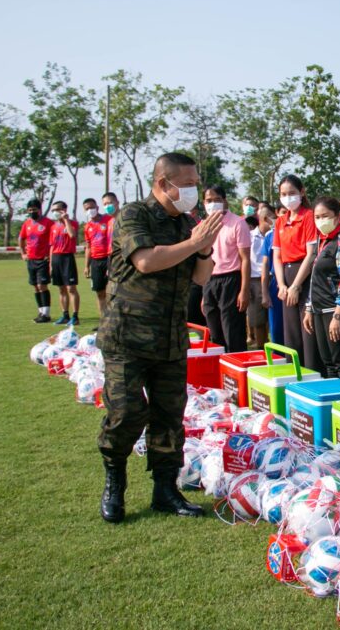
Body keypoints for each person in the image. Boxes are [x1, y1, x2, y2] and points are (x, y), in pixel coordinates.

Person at [96, 152, 222, 523]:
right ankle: (115, 482)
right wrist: (194, 243)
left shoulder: (187, 224)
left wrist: (202, 248)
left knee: (170, 417)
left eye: (196, 183)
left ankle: (165, 491)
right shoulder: (134, 215)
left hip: (169, 337)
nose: (194, 190)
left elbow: (201, 277)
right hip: (127, 337)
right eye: (188, 184)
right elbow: (146, 261)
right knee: (126, 412)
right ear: (163, 183)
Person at [302, 197, 340, 380]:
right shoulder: (323, 240)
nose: (321, 221)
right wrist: (309, 308)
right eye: (317, 217)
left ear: (338, 215)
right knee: (328, 363)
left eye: (325, 216)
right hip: (319, 309)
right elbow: (315, 277)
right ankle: (333, 398)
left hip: (335, 309)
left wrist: (338, 314)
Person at [272, 176, 319, 368]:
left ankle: (312, 371)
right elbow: (277, 256)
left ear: (302, 192)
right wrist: (282, 284)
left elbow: (311, 253)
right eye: (283, 194)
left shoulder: (308, 216)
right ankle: (294, 372)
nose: (288, 197)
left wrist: (296, 285)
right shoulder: (280, 221)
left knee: (307, 329)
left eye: (292, 193)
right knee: (291, 332)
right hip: (286, 275)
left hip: (304, 275)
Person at [200, 185, 251, 353]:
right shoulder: (203, 225)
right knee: (215, 333)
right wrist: (204, 293)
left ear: (224, 201)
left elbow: (245, 259)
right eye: (209, 200)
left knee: (232, 332)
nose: (212, 204)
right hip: (210, 280)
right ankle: (218, 367)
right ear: (203, 203)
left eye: (217, 200)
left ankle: (236, 366)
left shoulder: (238, 223)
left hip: (231, 280)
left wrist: (244, 290)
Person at [19, 198, 54, 323]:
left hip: (43, 259)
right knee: (35, 286)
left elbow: (54, 239)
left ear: (39, 210)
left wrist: (50, 255)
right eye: (29, 210)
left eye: (34, 209)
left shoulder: (48, 223)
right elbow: (21, 238)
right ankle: (40, 311)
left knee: (42, 285)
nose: (31, 212)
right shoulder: (27, 224)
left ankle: (46, 314)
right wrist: (23, 253)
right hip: (31, 260)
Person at [48, 201, 80, 325]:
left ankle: (75, 316)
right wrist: (51, 264)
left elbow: (72, 235)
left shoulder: (73, 223)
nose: (55, 212)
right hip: (56, 258)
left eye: (57, 210)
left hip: (67, 257)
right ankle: (65, 315)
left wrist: (66, 220)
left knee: (71, 288)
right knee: (61, 289)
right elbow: (52, 246)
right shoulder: (53, 227)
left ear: (64, 210)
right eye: (53, 210)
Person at [82, 197, 113, 315]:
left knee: (112, 290)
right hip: (95, 261)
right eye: (87, 209)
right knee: (99, 292)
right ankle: (103, 319)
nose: (90, 210)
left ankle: (114, 318)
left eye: (92, 207)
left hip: (109, 258)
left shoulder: (108, 220)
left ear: (97, 207)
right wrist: (86, 266)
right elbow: (88, 247)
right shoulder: (87, 226)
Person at [247, 204, 271, 349]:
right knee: (258, 320)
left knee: (274, 318)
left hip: (273, 278)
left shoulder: (275, 236)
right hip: (255, 281)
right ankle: (261, 348)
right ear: (265, 219)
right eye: (272, 217)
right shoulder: (249, 237)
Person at [260, 204, 285, 345]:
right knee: (276, 328)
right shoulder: (270, 236)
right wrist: (265, 293)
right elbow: (265, 265)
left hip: (296, 283)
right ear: (277, 213)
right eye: (283, 212)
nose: (287, 215)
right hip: (276, 286)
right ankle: (278, 356)